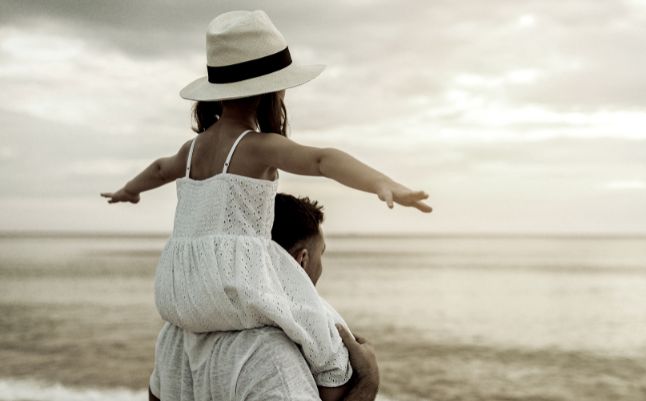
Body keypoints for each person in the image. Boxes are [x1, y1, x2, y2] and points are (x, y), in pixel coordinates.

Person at [100, 8, 430, 398]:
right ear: (272, 90)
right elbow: (322, 160)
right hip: (235, 283)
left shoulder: (193, 148)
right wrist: (382, 183)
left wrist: (130, 190)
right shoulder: (255, 146)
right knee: (317, 318)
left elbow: (159, 169)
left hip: (186, 290)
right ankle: (336, 381)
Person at [147, 194, 379, 401]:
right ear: (302, 260)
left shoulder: (175, 334)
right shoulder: (271, 355)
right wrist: (368, 382)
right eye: (322, 254)